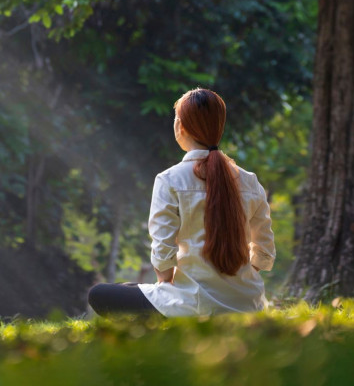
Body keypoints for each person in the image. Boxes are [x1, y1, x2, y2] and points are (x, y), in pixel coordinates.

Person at [88, 88, 276, 317]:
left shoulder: (169, 179)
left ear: (181, 127)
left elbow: (163, 252)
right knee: (129, 289)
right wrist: (236, 282)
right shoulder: (250, 181)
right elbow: (264, 252)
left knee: (100, 294)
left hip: (191, 305)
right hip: (248, 304)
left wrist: (165, 283)